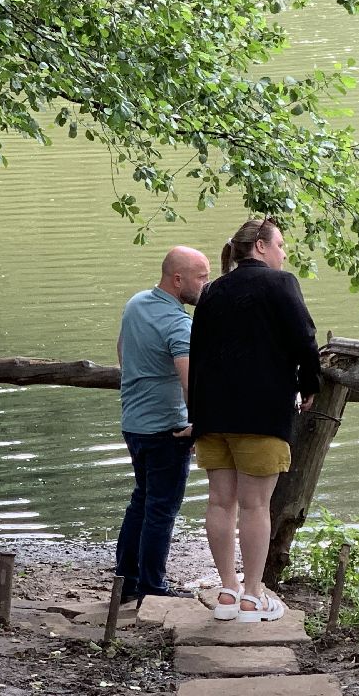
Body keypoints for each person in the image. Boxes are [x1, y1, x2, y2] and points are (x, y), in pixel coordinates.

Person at [188, 218, 321, 622]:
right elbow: (305, 338)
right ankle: (252, 596)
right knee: (255, 506)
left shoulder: (211, 292)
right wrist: (310, 383)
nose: (284, 252)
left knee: (219, 502)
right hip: (261, 414)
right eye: (280, 244)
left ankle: (226, 591)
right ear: (260, 247)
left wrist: (198, 416)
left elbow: (198, 355)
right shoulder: (281, 285)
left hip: (213, 415)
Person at [115, 246, 212, 605]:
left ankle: (125, 581)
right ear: (177, 279)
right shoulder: (179, 323)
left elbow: (122, 352)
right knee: (161, 508)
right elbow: (190, 381)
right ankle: (152, 588)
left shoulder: (136, 304)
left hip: (134, 423)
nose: (207, 284)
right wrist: (198, 423)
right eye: (201, 277)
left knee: (141, 500)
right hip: (167, 429)